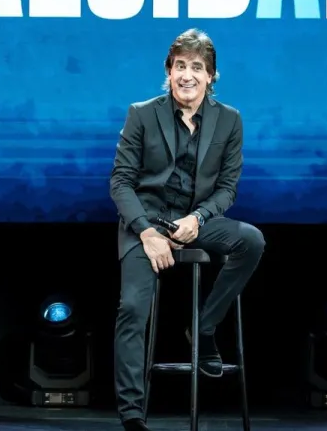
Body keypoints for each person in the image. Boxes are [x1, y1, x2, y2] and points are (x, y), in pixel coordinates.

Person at [109, 29, 266, 431]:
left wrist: (198, 218)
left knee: (250, 240)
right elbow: (121, 182)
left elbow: (228, 188)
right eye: (180, 66)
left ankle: (203, 327)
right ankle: (132, 414)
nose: (187, 75)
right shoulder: (142, 114)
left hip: (196, 221)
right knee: (132, 309)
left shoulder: (229, 120)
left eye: (197, 67)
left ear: (210, 75)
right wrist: (146, 232)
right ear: (169, 71)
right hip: (146, 223)